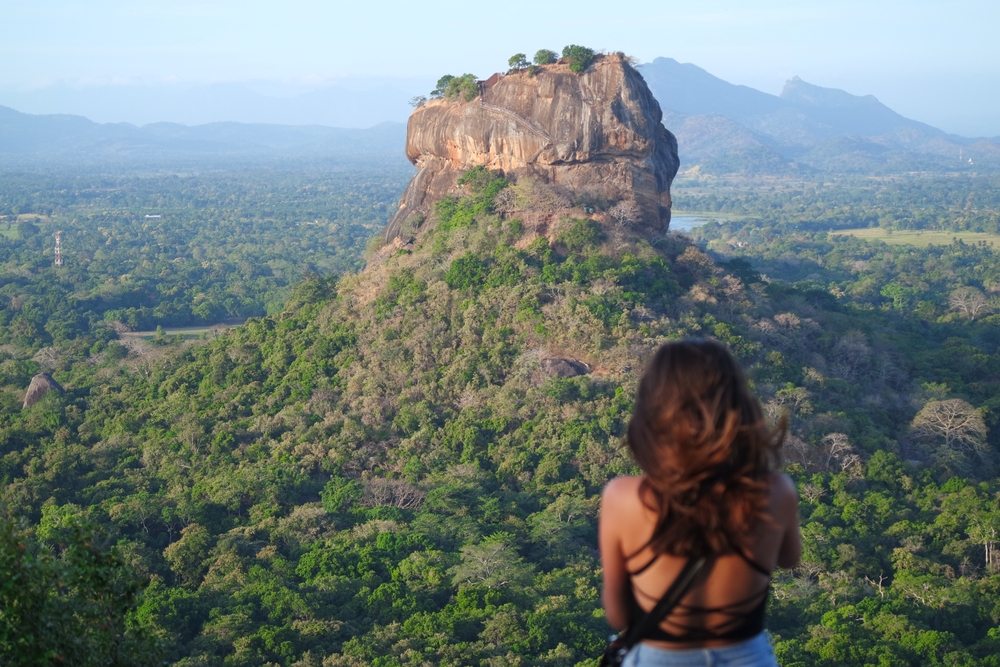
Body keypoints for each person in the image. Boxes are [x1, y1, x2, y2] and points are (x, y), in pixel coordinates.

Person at [600, 339, 801, 666]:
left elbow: (619, 615)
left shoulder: (623, 497)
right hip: (747, 657)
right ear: (738, 408)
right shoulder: (776, 491)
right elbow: (789, 559)